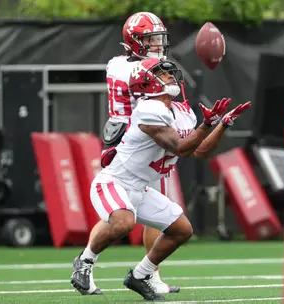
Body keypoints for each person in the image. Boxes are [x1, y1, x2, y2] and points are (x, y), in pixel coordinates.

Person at [71, 57, 251, 301]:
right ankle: (85, 261)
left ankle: (141, 275)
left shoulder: (181, 112)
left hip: (139, 188)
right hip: (115, 182)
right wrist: (207, 124)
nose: (170, 77)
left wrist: (222, 124)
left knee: (182, 230)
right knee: (124, 222)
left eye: (169, 73)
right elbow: (181, 148)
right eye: (163, 74)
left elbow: (199, 151)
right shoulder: (148, 109)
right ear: (146, 83)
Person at [78, 11, 177, 296]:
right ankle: (144, 273)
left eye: (158, 38)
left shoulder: (117, 63)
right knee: (128, 214)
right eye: (151, 39)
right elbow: (164, 94)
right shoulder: (142, 67)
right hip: (138, 143)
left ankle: (96, 264)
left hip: (134, 139)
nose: (157, 44)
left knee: (138, 212)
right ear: (135, 41)